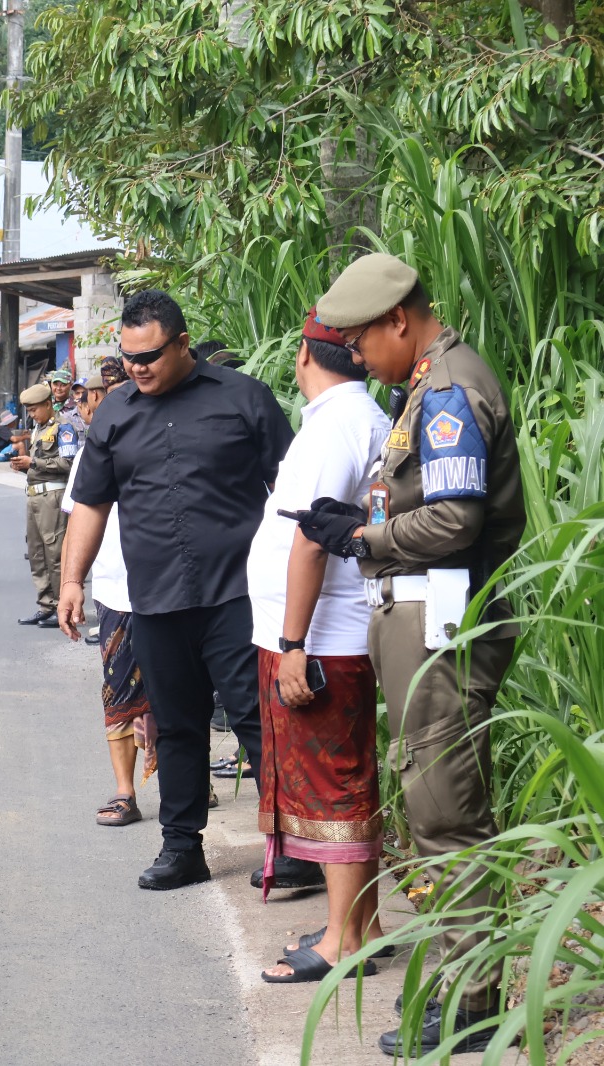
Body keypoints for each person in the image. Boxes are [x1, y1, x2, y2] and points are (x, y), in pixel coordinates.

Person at [290, 254, 525, 1055]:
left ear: (399, 319)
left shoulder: (449, 388)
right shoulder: (424, 385)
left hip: (443, 619)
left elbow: (455, 521)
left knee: (446, 812)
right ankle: (464, 980)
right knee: (433, 804)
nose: (356, 356)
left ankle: (472, 1004)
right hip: (420, 614)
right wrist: (359, 521)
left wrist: (364, 538)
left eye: (361, 341)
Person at [59, 289, 297, 891]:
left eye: (149, 356)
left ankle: (295, 846)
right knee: (175, 724)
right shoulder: (114, 414)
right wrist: (71, 581)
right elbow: (90, 504)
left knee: (258, 720)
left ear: (183, 343)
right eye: (128, 357)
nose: (137, 368)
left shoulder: (243, 399)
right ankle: (182, 847)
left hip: (238, 596)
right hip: (156, 601)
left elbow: (294, 493)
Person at [246, 310, 391, 984]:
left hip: (323, 637)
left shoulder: (337, 426)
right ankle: (364, 924)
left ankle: (342, 940)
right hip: (326, 631)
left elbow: (313, 536)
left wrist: (294, 643)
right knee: (341, 778)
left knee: (334, 784)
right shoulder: (350, 418)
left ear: (304, 355)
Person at [59, 361, 153, 826]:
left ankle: (191, 781)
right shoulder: (92, 451)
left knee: (184, 690)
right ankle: (124, 792)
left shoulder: (167, 437)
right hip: (116, 591)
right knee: (118, 690)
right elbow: (77, 519)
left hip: (175, 590)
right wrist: (70, 583)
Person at [13, 382, 71, 628]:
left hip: (53, 497)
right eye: (29, 410)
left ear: (48, 404)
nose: (32, 414)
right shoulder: (39, 429)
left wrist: (33, 463)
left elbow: (69, 463)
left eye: (35, 409)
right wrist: (23, 465)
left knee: (55, 554)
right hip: (35, 496)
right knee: (36, 553)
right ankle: (46, 605)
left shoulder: (63, 427)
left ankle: (62, 606)